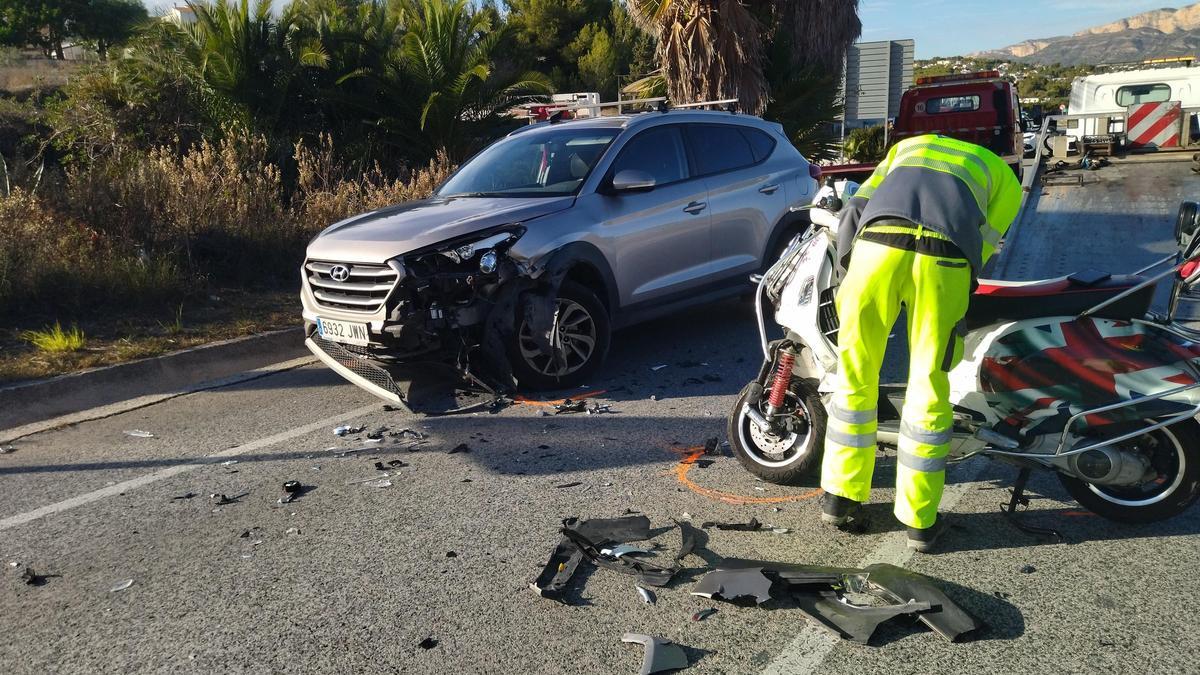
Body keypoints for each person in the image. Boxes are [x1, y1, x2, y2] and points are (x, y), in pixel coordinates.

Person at [819, 134, 1022, 552]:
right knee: (928, 383)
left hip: (875, 249)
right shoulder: (1005, 177)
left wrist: (847, 268)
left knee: (855, 374)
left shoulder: (908, 147)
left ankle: (839, 498)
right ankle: (919, 522)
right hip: (941, 258)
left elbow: (856, 207)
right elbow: (983, 246)